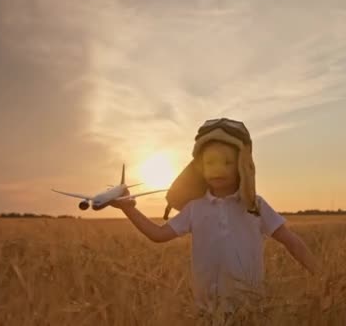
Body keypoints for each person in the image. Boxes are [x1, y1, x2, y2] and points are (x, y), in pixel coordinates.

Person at [109, 118, 318, 317]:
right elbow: (158, 234)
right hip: (207, 310)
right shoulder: (195, 208)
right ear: (200, 168)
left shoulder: (255, 206)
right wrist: (129, 209)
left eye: (227, 162)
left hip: (250, 310)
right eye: (210, 162)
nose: (218, 169)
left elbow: (292, 243)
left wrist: (323, 277)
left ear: (241, 165)